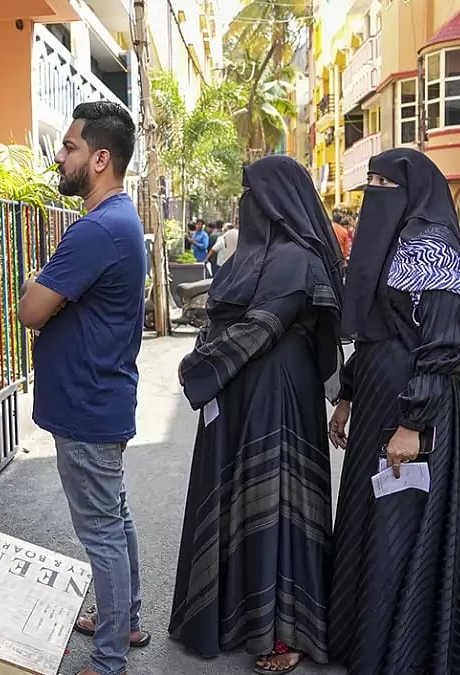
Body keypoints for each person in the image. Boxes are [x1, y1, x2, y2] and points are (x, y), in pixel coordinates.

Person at [171, 156, 344, 674]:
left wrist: (199, 367)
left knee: (280, 502)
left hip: (279, 394)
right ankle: (232, 617)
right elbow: (219, 318)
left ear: (273, 200)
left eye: (251, 193)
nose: (244, 203)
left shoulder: (300, 260)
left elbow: (264, 325)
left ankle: (285, 630)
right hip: (235, 389)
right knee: (235, 498)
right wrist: (206, 358)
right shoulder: (245, 256)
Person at [328, 148, 460, 675]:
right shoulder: (389, 242)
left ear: (414, 189)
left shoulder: (433, 246)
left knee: (403, 522)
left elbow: (441, 345)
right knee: (371, 516)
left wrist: (412, 424)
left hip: (416, 407)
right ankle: (365, 639)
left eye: (385, 183)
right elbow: (372, 331)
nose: (375, 192)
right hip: (376, 401)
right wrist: (347, 397)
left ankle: (404, 649)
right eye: (371, 182)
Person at [18, 101, 146, 675]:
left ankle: (110, 657)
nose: (60, 156)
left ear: (99, 159)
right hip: (99, 398)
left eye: (69, 147)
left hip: (89, 405)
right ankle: (126, 620)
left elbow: (31, 310)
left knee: (101, 531)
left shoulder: (97, 229)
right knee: (113, 519)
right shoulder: (118, 220)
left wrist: (36, 285)